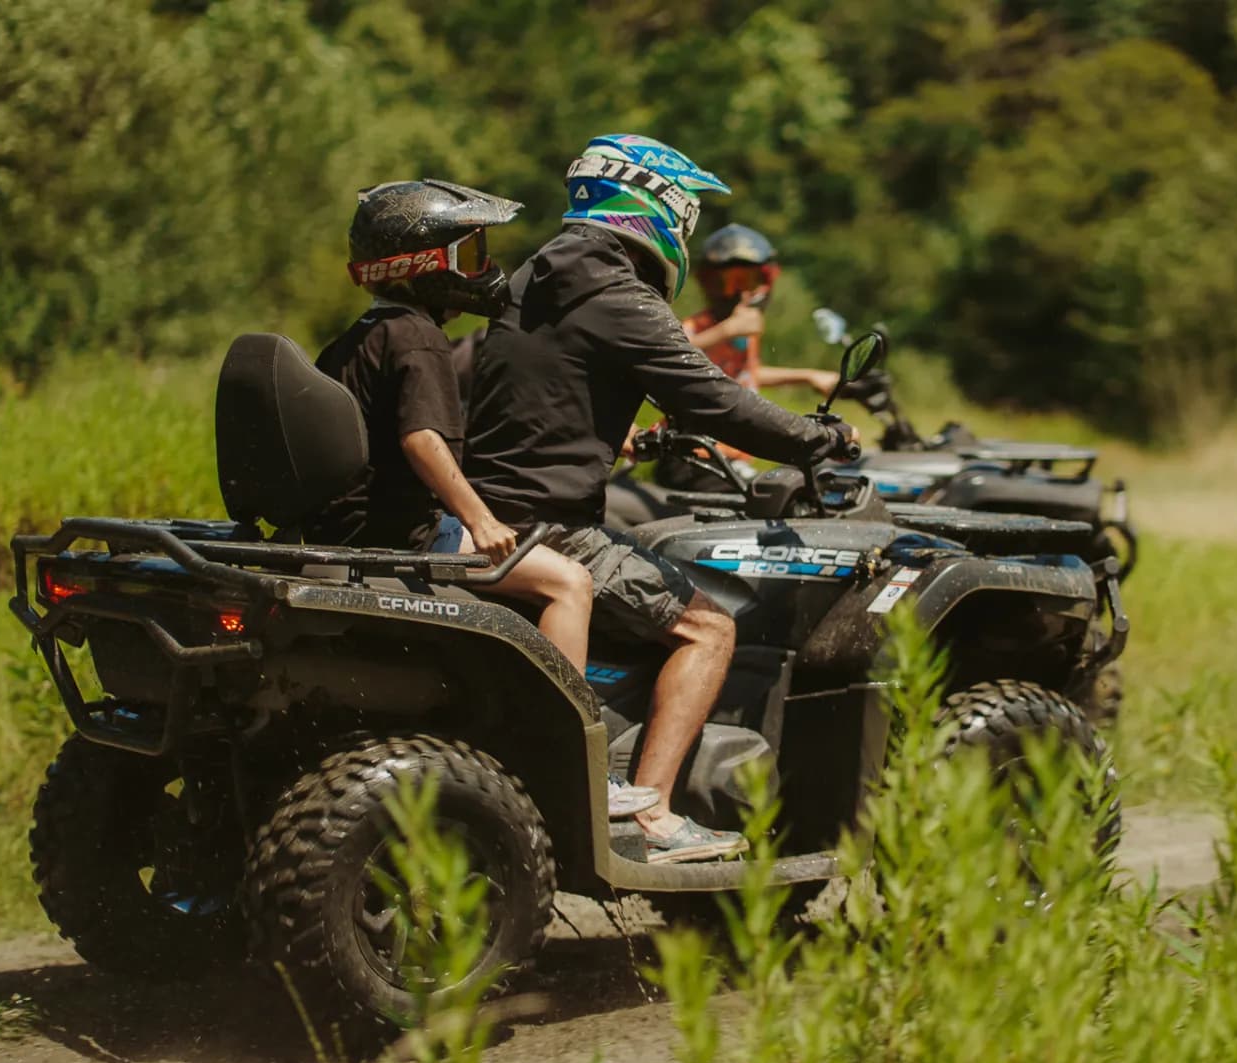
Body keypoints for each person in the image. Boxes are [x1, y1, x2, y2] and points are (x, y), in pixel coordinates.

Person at [465, 135, 855, 864]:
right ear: (658, 205)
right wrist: (816, 439)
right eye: (689, 207)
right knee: (709, 629)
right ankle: (656, 819)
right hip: (552, 531)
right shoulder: (618, 297)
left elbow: (546, 402)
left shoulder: (529, 281)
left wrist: (633, 441)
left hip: (490, 515)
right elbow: (714, 398)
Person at [308, 178, 660, 819]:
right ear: (424, 266)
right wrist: (479, 519)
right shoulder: (419, 336)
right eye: (469, 255)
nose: (486, 270)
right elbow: (420, 439)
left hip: (350, 528)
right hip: (402, 536)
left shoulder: (361, 336)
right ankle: (563, 762)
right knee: (568, 583)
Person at [683, 224, 837, 396]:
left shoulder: (745, 334)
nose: (741, 294)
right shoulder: (695, 327)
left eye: (750, 281)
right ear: (708, 283)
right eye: (727, 282)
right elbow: (669, 355)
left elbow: (746, 374)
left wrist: (808, 376)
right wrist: (726, 330)